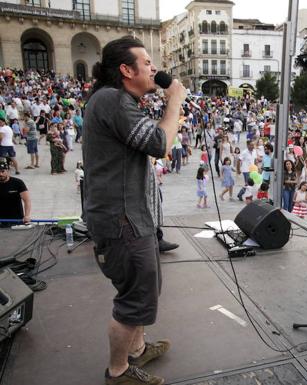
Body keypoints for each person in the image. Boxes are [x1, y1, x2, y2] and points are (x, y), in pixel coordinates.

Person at [83, 36, 186, 385]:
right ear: (126, 70)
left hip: (132, 216)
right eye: (146, 63)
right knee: (133, 300)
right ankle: (118, 371)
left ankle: (138, 349)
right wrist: (173, 102)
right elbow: (158, 144)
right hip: (122, 220)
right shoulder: (113, 100)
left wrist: (169, 112)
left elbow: (150, 138)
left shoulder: (114, 100)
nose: (154, 68)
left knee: (146, 290)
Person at [0, 159, 31, 227]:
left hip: (16, 221)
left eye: (3, 171)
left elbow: (27, 200)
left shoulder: (18, 183)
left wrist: (27, 215)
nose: (0, 174)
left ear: (7, 171)